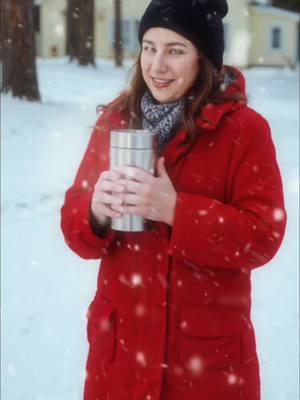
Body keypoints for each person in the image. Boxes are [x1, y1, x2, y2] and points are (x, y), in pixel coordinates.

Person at [60, 0, 287, 399]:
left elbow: (263, 235)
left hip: (205, 366)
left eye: (175, 50)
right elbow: (74, 227)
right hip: (121, 359)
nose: (157, 65)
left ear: (204, 59)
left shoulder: (245, 131)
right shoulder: (115, 121)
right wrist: (94, 211)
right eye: (149, 47)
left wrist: (175, 211)